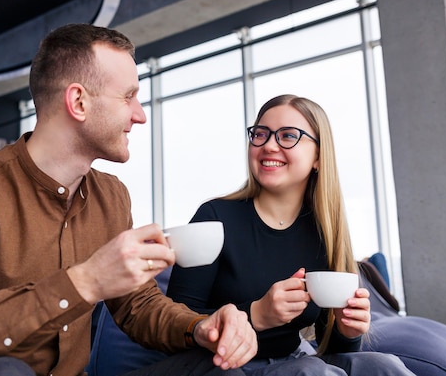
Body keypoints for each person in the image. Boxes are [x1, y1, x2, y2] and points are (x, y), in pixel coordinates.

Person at [0, 23, 257, 376]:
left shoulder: (112, 196)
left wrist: (202, 328)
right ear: (78, 102)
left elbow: (138, 305)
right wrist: (85, 281)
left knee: (214, 369)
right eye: (128, 96)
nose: (140, 114)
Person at [166, 94, 416, 376]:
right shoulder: (214, 218)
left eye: (288, 136)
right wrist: (257, 314)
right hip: (220, 367)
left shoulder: (325, 232)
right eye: (260, 134)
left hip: (293, 362)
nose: (269, 145)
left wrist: (347, 331)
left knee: (384, 366)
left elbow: (332, 350)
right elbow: (175, 328)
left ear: (318, 157)